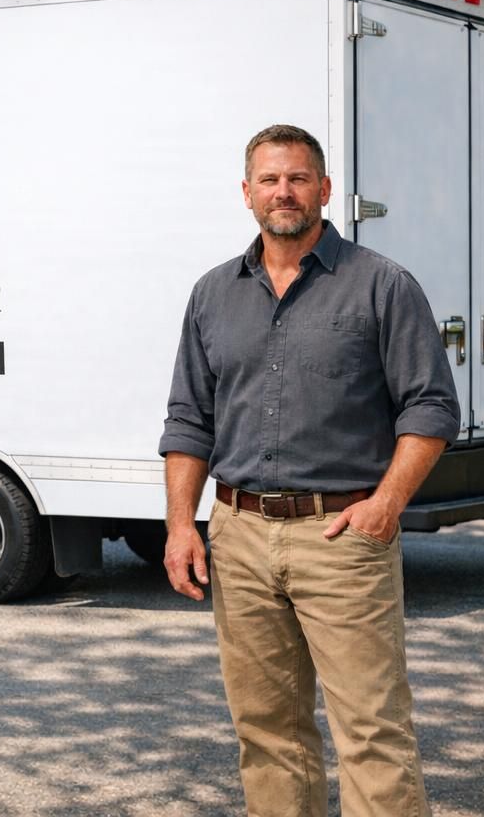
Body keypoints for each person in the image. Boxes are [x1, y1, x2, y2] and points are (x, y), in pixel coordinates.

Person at [158, 123, 460, 817]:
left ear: (325, 190)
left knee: (373, 734)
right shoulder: (213, 295)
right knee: (267, 734)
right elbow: (188, 420)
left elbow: (432, 406)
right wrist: (182, 525)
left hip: (343, 539)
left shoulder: (381, 285)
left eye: (298, 178)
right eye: (269, 179)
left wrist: (385, 506)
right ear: (246, 193)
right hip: (237, 535)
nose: (283, 191)